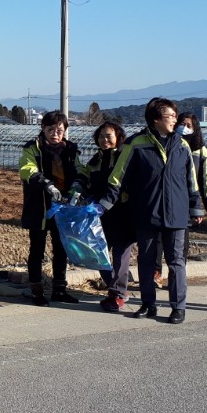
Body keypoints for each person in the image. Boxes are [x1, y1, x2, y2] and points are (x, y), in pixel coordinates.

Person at [99, 98, 204, 324]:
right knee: (146, 261)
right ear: (156, 119)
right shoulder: (136, 144)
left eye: (175, 116)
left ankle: (178, 307)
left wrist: (196, 208)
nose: (175, 120)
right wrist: (104, 205)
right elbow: (118, 177)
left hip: (176, 214)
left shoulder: (182, 145)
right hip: (146, 212)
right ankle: (148, 304)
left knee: (176, 262)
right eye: (170, 116)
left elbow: (191, 181)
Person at [19, 111, 84, 306]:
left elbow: (80, 169)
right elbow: (27, 169)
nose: (55, 133)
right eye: (51, 129)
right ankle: (37, 291)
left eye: (59, 130)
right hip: (40, 205)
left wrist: (78, 183)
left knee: (61, 248)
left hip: (63, 207)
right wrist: (46, 184)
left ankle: (59, 289)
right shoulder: (33, 148)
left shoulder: (70, 150)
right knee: (37, 249)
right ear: (43, 129)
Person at [152, 111, 207, 287]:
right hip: (161, 201)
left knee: (180, 245)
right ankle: (156, 274)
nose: (184, 128)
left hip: (184, 203)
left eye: (189, 125)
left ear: (195, 129)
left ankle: (176, 279)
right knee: (157, 241)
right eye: (181, 124)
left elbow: (206, 180)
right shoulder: (166, 146)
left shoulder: (199, 151)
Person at [83, 121, 135, 313]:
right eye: (101, 136)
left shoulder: (124, 157)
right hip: (99, 214)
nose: (104, 139)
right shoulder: (95, 160)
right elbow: (86, 178)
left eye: (109, 136)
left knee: (121, 255)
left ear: (118, 137)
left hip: (122, 213)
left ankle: (117, 294)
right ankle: (116, 286)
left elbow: (123, 185)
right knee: (99, 253)